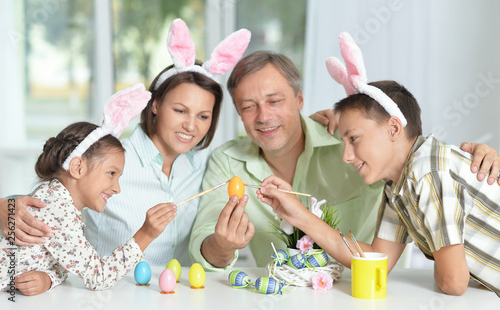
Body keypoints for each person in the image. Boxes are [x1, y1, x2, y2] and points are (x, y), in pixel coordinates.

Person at [188, 50, 500, 270]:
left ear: (299, 99)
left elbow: (407, 151)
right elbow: (206, 240)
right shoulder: (226, 162)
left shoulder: (348, 139)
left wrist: (471, 163)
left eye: (275, 100)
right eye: (248, 106)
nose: (264, 116)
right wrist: (222, 244)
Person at [256, 32, 500, 296]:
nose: (346, 155)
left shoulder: (428, 172)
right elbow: (375, 260)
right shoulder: (398, 186)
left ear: (394, 128)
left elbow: (453, 283)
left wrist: (445, 267)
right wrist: (298, 214)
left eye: (354, 138)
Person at [0, 17, 251, 271]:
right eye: (179, 110)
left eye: (203, 116)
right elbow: (45, 200)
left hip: (182, 296)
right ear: (155, 105)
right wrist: (3, 209)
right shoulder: (108, 160)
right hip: (109, 296)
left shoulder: (207, 164)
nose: (190, 126)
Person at [0, 84, 177, 295]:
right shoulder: (58, 211)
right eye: (111, 173)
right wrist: (146, 234)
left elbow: (64, 263)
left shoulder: (56, 199)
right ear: (77, 168)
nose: (117, 188)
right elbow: (97, 276)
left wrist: (48, 278)